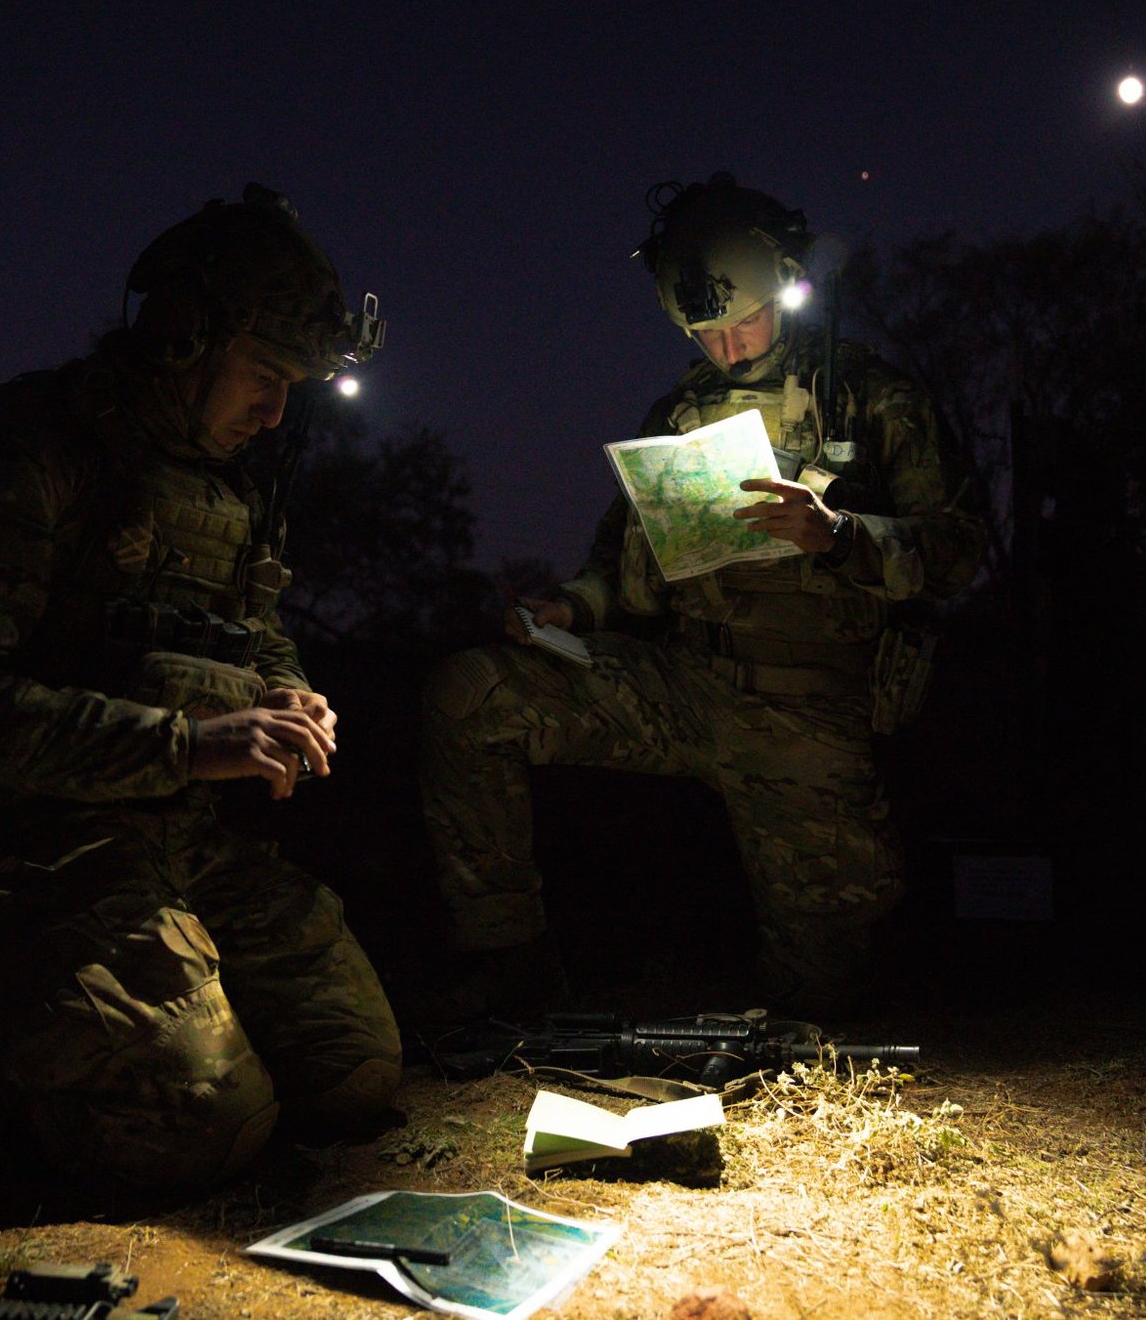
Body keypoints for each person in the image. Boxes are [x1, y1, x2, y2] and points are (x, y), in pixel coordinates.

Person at [0, 184, 398, 1195]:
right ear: (183, 339)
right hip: (28, 844)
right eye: (265, 375)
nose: (277, 410)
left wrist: (288, 696)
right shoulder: (22, 452)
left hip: (184, 836)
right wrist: (187, 745)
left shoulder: (232, 486)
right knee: (204, 1124)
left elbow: (258, 629)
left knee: (353, 1072)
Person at [418, 173, 984, 1021]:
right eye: (704, 330)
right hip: (682, 688)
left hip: (808, 713)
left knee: (825, 999)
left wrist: (841, 534)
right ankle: (509, 962)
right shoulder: (681, 410)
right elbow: (622, 562)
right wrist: (573, 606)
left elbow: (960, 548)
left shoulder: (875, 397)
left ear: (784, 286)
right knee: (472, 695)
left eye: (741, 320)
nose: (727, 347)